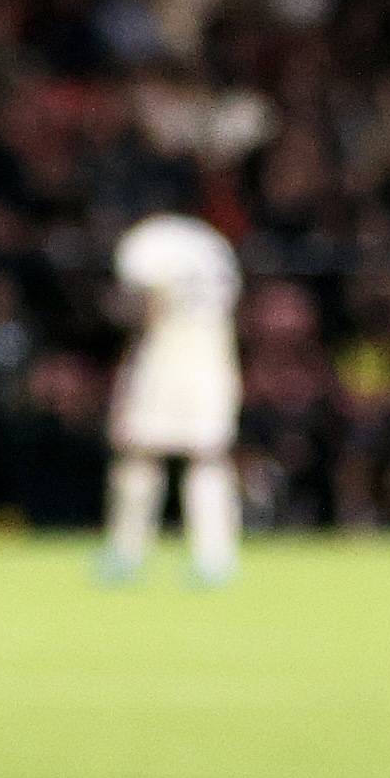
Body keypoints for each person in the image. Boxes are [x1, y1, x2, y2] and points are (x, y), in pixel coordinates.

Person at [98, 209, 244, 587]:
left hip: (166, 350)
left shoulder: (145, 241)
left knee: (139, 452)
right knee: (208, 456)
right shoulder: (211, 242)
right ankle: (215, 555)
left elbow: (142, 305)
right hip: (214, 351)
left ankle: (126, 552)